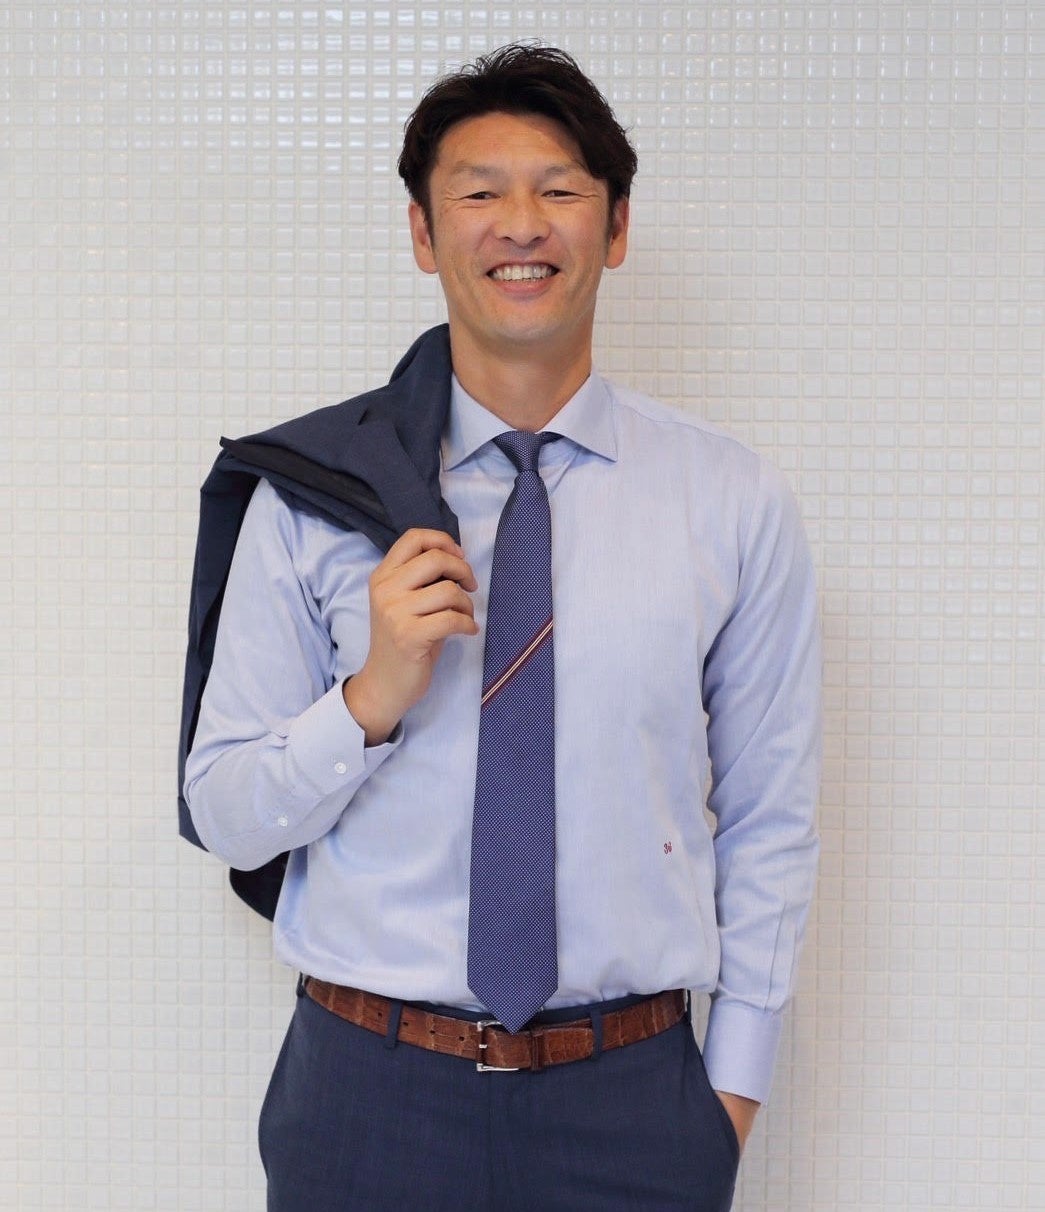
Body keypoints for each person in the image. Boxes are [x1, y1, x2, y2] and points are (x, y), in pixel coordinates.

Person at [182, 43, 821, 1212]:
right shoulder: (319, 497)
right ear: (423, 235)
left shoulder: (729, 501)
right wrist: (369, 699)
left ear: (614, 228)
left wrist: (725, 1101)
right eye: (479, 192)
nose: (520, 223)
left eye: (559, 189)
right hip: (366, 1098)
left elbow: (769, 818)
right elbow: (223, 811)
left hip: (633, 1106)